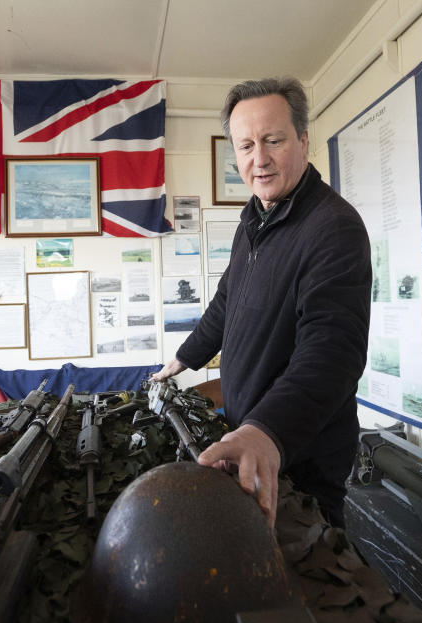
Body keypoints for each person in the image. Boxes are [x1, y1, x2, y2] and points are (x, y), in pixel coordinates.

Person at [152, 77, 371, 528]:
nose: (260, 159)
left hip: (296, 457)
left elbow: (332, 352)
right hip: (250, 437)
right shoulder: (253, 219)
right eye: (246, 145)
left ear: (303, 140)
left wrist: (264, 431)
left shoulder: (334, 228)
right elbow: (227, 301)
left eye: (273, 140)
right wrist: (182, 359)